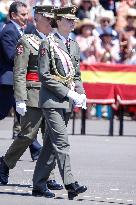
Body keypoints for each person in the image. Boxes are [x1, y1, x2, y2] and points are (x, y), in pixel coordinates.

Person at [0, 5, 63, 191]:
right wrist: (20, 98)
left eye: (53, 18)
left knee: (50, 137)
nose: (52, 21)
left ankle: (47, 176)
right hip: (32, 94)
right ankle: (4, 163)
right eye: (47, 18)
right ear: (38, 19)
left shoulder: (55, 41)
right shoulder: (27, 39)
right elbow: (19, 71)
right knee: (27, 135)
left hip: (50, 95)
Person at [32, 6, 87, 199]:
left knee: (50, 146)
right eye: (68, 19)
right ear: (58, 21)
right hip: (51, 101)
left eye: (74, 20)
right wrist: (69, 94)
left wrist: (81, 94)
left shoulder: (74, 45)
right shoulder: (48, 43)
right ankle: (70, 183)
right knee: (62, 142)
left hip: (67, 102)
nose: (73, 22)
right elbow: (45, 75)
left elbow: (76, 75)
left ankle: (38, 184)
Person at [0, 1, 42, 163]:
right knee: (4, 113)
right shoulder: (8, 32)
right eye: (23, 15)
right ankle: (36, 150)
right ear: (13, 16)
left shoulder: (25, 30)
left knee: (25, 120)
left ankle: (36, 151)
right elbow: (11, 57)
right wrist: (30, 55)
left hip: (19, 82)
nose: (26, 17)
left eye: (27, 14)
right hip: (8, 82)